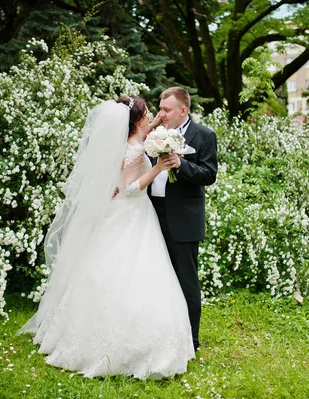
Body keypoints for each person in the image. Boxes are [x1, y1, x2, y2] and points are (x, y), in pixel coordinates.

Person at [18, 97, 195, 379]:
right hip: (132, 213)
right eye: (149, 114)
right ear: (137, 121)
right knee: (134, 274)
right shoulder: (135, 152)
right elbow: (131, 188)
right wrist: (158, 168)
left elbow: (139, 143)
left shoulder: (129, 142)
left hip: (120, 215)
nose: (153, 117)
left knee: (103, 269)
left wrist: (158, 126)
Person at [149, 87, 218, 351]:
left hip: (184, 217)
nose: (162, 113)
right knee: (158, 276)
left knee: (186, 280)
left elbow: (209, 175)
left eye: (166, 109)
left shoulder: (204, 135)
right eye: (160, 108)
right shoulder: (155, 134)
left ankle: (191, 340)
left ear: (183, 110)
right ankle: (163, 334)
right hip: (152, 214)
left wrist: (181, 165)